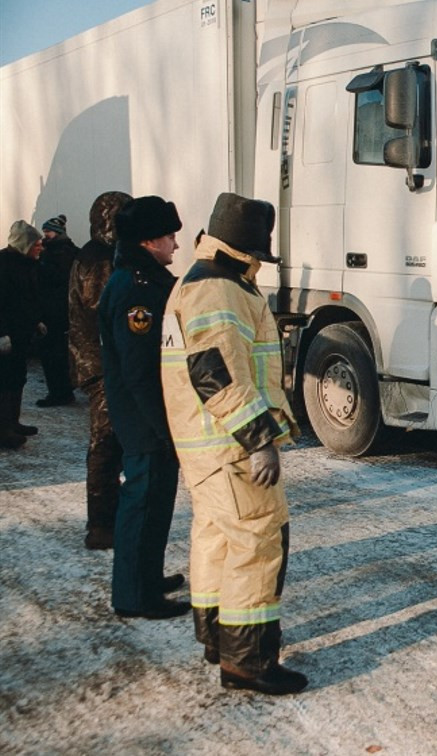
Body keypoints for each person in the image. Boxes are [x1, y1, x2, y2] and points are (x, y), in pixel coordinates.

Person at [162, 192, 306, 694]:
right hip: (230, 447)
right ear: (244, 252)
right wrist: (258, 440)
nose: (260, 269)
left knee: (218, 538)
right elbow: (215, 374)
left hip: (208, 448)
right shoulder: (219, 290)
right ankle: (248, 663)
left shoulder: (197, 283)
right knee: (258, 541)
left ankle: (218, 640)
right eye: (258, 258)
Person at [98, 196, 189, 620]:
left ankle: (146, 576)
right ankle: (135, 594)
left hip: (148, 417)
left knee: (155, 502)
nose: (175, 244)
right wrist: (161, 425)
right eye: (170, 236)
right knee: (143, 502)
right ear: (151, 241)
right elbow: (138, 371)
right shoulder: (137, 287)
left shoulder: (143, 279)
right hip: (145, 418)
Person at [70, 192, 130, 550]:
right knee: (105, 444)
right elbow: (103, 306)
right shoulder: (98, 259)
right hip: (101, 363)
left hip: (101, 361)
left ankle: (107, 516)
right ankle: (101, 524)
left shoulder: (102, 255)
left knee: (110, 443)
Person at [0, 221, 46, 449]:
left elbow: (27, 299)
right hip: (8, 335)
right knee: (5, 380)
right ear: (24, 245)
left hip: (21, 333)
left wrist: (36, 321)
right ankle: (3, 429)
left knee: (18, 378)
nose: (41, 248)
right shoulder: (4, 265)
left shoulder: (28, 264)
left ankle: (12, 422)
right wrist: (2, 333)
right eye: (36, 244)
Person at [36, 214, 78, 407]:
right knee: (60, 353)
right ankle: (63, 390)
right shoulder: (71, 251)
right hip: (62, 310)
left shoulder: (55, 254)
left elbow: (53, 279)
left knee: (53, 354)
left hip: (54, 311)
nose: (45, 235)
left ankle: (59, 392)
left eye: (48, 231)